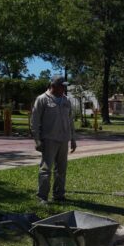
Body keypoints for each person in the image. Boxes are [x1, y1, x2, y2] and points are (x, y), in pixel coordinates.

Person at [31, 75, 76, 204]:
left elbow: (70, 121)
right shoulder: (42, 99)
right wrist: (37, 140)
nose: (64, 89)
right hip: (49, 139)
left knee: (61, 169)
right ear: (54, 86)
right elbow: (34, 121)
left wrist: (73, 139)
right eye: (62, 86)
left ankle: (59, 195)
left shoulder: (66, 100)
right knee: (46, 169)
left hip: (64, 139)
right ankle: (42, 196)